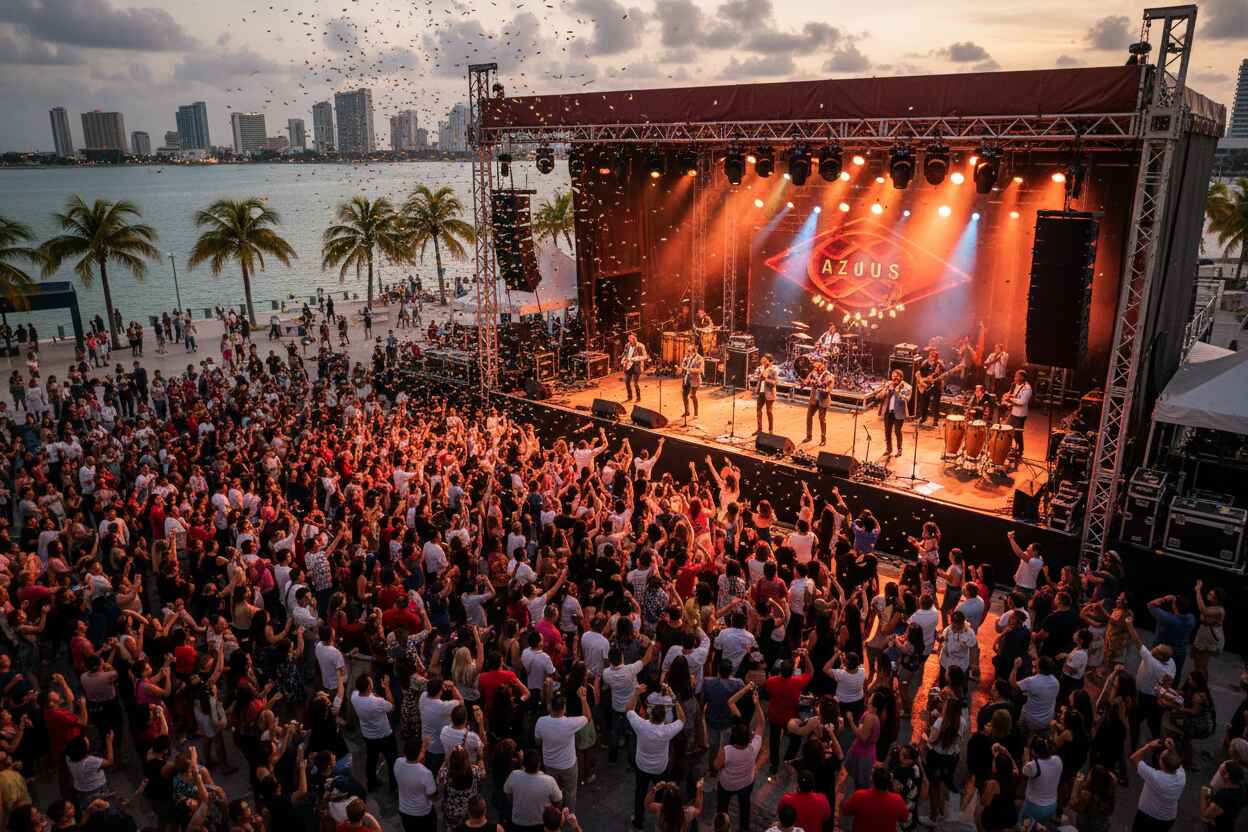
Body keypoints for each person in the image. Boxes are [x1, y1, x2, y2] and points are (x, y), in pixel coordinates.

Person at [626, 683, 685, 830]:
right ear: (664, 718)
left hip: (642, 766)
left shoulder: (641, 725)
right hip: (660, 767)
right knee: (661, 792)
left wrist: (637, 693)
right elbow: (683, 719)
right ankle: (660, 814)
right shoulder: (667, 730)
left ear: (650, 715)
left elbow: (628, 710)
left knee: (640, 792)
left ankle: (638, 821)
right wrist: (674, 698)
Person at [1130, 737, 1185, 832]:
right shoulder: (1181, 774)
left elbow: (1134, 758)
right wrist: (1172, 749)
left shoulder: (1155, 777)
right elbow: (1176, 761)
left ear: (1162, 764)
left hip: (1148, 816)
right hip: (1168, 818)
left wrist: (1148, 746)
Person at [842, 765, 909, 832]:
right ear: (889, 782)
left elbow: (846, 810)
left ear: (872, 780)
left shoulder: (859, 795)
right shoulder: (898, 800)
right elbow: (905, 818)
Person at [872, 369, 911, 459]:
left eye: (897, 376)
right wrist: (886, 390)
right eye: (893, 376)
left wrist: (896, 391)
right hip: (888, 412)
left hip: (899, 413)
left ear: (901, 377)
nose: (895, 378)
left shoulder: (906, 386)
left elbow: (905, 398)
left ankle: (899, 449)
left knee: (897, 431)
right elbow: (878, 396)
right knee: (887, 432)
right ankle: (888, 449)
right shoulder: (888, 384)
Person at [801, 358, 834, 446]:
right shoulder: (813, 373)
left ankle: (823, 439)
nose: (815, 366)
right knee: (809, 417)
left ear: (822, 365)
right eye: (815, 364)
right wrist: (803, 383)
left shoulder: (828, 375)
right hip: (814, 399)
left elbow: (828, 389)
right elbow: (807, 380)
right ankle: (809, 436)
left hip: (823, 399)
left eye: (817, 364)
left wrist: (817, 384)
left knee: (822, 419)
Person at [1001, 368, 1032, 458]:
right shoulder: (1014, 385)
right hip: (1013, 412)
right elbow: (1011, 393)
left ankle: (1020, 450)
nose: (1014, 378)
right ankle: (1010, 448)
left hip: (1020, 414)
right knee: (1008, 430)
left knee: (1017, 433)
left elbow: (1022, 402)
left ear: (1022, 377)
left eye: (1016, 376)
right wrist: (1007, 395)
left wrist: (1009, 399)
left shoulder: (1027, 389)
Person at [752, 353, 779, 434]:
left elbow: (775, 382)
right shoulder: (760, 368)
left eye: (764, 359)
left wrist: (766, 379)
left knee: (769, 412)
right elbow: (756, 375)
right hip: (761, 392)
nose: (762, 360)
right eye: (762, 359)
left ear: (768, 360)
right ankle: (759, 429)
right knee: (758, 410)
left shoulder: (773, 369)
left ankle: (771, 430)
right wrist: (756, 376)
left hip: (769, 393)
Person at [681, 343, 705, 419]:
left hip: (695, 379)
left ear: (694, 351)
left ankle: (696, 413)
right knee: (684, 395)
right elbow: (684, 365)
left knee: (692, 396)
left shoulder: (700, 358)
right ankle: (687, 411)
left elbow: (701, 370)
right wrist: (683, 366)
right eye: (688, 351)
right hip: (687, 378)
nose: (687, 352)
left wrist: (690, 370)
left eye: (689, 351)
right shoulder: (687, 357)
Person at [622, 333, 647, 402]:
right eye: (630, 339)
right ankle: (630, 397)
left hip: (637, 366)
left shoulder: (640, 346)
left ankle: (638, 398)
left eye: (633, 339)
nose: (631, 340)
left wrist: (633, 359)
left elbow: (645, 356)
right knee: (627, 382)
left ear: (635, 338)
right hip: (628, 366)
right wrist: (623, 359)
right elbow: (624, 354)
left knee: (635, 383)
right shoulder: (627, 345)